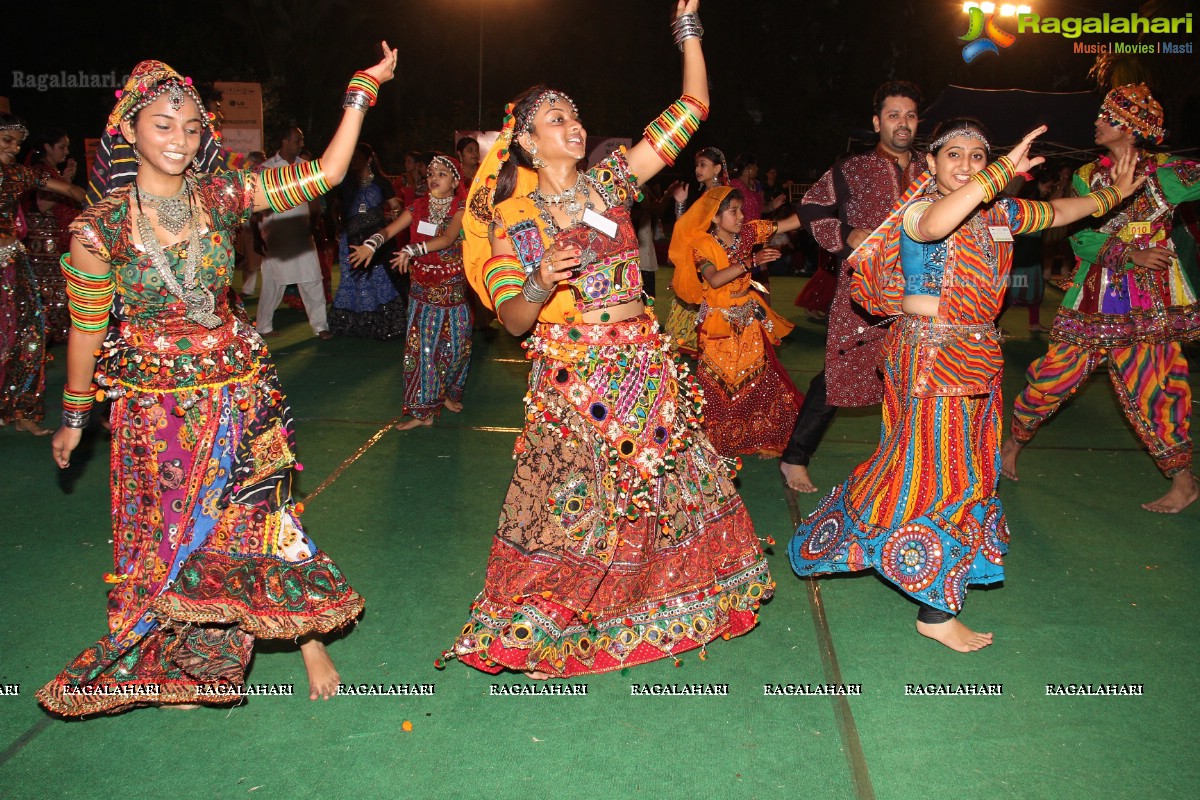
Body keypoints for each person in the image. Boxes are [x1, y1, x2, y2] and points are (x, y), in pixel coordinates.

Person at [38, 47, 397, 716]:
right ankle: (190, 657)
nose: (179, 141)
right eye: (162, 126)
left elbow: (326, 172)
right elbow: (86, 330)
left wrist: (361, 90)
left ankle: (306, 633)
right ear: (128, 130)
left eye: (191, 127)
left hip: (237, 389)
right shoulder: (100, 229)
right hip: (155, 408)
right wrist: (74, 414)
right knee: (175, 536)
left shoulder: (223, 195)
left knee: (262, 512)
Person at [446, 0, 772, 679]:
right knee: (574, 505)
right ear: (528, 143)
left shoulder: (611, 180)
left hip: (644, 361)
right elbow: (512, 320)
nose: (574, 125)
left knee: (659, 489)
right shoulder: (514, 215)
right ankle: (548, 623)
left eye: (574, 115)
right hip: (575, 375)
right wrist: (537, 281)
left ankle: (654, 605)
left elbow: (692, 107)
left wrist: (688, 32)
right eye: (556, 119)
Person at [789, 119, 1144, 652]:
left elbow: (1062, 212)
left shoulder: (999, 214)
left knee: (944, 469)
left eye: (978, 156)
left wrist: (1111, 194)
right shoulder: (920, 210)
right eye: (953, 154)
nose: (965, 165)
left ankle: (864, 545)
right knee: (951, 476)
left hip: (976, 357)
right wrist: (1001, 170)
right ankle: (934, 611)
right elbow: (936, 228)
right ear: (930, 164)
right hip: (930, 355)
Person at [1003, 84, 1200, 514]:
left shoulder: (1170, 173)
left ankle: (1184, 482)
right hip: (1095, 297)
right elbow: (1082, 240)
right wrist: (1131, 252)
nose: (1096, 122)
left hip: (1150, 305)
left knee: (1157, 388)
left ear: (1129, 128)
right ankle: (1012, 445)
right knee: (1054, 374)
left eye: (1105, 117)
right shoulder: (1086, 177)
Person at [780, 81, 925, 493]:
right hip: (864, 290)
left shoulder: (933, 170)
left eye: (910, 115)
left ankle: (908, 463)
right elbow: (810, 207)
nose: (903, 123)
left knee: (917, 371)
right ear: (877, 122)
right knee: (842, 371)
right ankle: (795, 458)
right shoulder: (852, 168)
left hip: (922, 292)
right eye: (894, 115)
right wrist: (847, 233)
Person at [670, 186, 803, 455]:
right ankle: (717, 439)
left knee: (756, 379)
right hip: (717, 325)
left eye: (741, 209)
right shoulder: (702, 246)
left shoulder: (749, 233)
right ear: (716, 219)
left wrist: (826, 204)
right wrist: (751, 261)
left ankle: (756, 435)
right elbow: (715, 279)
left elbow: (790, 222)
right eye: (733, 211)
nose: (741, 216)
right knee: (718, 384)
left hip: (748, 317)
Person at [349, 153, 470, 428]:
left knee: (457, 349)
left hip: (452, 288)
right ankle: (423, 411)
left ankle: (442, 394)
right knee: (423, 349)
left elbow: (448, 238)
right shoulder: (417, 207)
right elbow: (389, 230)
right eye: (430, 173)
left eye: (441, 173)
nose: (433, 178)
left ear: (454, 181)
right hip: (422, 290)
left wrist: (413, 249)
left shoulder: (461, 207)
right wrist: (371, 243)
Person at [1, 115, 85, 435]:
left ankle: (21, 408)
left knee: (31, 333)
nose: (14, 147)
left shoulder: (19, 174)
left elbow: (68, 191)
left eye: (17, 142)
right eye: (6, 140)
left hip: (14, 264)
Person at [256, 128, 333, 339]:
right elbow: (255, 205)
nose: (300, 144)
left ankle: (320, 326)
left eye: (301, 140)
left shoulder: (305, 168)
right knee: (273, 282)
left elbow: (314, 200)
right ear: (284, 141)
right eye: (297, 140)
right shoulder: (266, 168)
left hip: (302, 233)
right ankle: (263, 326)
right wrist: (256, 235)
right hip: (276, 235)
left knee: (312, 278)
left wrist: (315, 225)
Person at [328, 142, 406, 338]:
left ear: (369, 159)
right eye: (352, 157)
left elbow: (395, 206)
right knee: (351, 277)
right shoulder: (345, 182)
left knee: (378, 277)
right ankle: (353, 325)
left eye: (357, 157)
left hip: (375, 240)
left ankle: (383, 324)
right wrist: (337, 224)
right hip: (350, 238)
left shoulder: (381, 183)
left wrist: (392, 216)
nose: (354, 161)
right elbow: (335, 207)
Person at [665, 145, 728, 355]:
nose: (698, 169)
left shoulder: (720, 195)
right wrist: (680, 203)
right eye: (697, 165)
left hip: (713, 256)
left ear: (717, 169)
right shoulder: (707, 195)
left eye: (704, 165)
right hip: (700, 254)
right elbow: (686, 228)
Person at [21, 127, 79, 342]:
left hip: (54, 241)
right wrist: (65, 183)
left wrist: (65, 179)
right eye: (61, 147)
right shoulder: (40, 170)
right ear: (47, 147)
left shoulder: (51, 171)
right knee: (50, 291)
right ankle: (49, 334)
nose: (65, 152)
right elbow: (43, 204)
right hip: (44, 243)